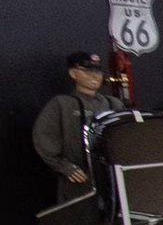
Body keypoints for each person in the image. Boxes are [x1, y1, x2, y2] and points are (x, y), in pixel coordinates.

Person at [32, 51, 125, 188]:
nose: (94, 76)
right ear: (73, 73)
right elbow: (43, 136)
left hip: (113, 178)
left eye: (98, 71)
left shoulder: (114, 104)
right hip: (80, 180)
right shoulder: (62, 104)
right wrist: (65, 167)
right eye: (87, 71)